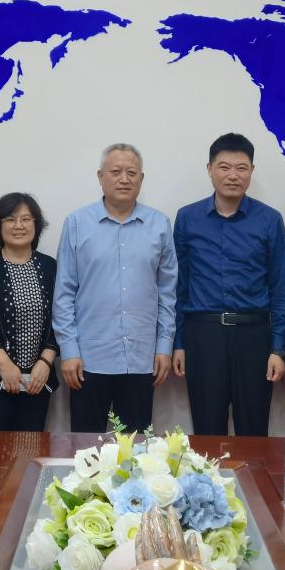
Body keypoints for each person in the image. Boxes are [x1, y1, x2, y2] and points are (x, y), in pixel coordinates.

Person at [173, 133, 285, 436]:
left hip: (254, 336)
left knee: (253, 430)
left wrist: (278, 348)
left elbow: (280, 287)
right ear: (209, 169)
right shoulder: (187, 218)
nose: (233, 175)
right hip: (203, 335)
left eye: (241, 168)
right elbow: (179, 286)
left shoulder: (269, 219)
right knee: (206, 429)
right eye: (224, 167)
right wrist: (179, 343)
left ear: (252, 171)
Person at [53, 143, 178, 433]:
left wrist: (164, 346)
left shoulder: (159, 225)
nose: (124, 179)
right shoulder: (77, 223)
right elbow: (64, 293)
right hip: (88, 359)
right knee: (85, 449)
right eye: (116, 172)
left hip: (141, 358)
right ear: (100, 177)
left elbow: (167, 293)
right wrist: (69, 350)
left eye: (131, 173)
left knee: (136, 448)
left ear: (141, 179)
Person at [0, 192, 59, 431]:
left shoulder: (51, 267)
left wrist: (46, 362)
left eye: (26, 219)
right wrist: (5, 365)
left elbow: (62, 316)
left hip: (37, 381)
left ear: (36, 225)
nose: (19, 225)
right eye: (10, 219)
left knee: (31, 448)